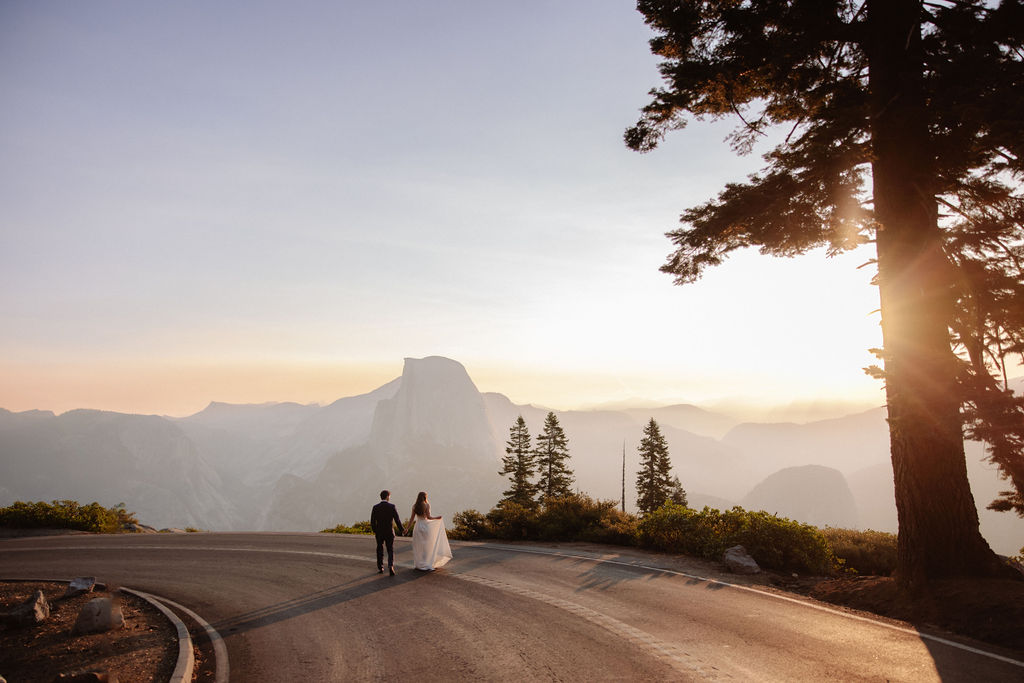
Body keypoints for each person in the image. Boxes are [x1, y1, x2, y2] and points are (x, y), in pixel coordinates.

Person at [409, 491, 452, 571]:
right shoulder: (426, 505)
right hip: (425, 526)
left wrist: (407, 528)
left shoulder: (414, 506)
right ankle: (427, 563)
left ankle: (419, 564)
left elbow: (412, 518)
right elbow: (429, 517)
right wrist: (437, 518)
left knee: (418, 546)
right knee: (427, 545)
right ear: (425, 497)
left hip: (418, 526)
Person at [370, 490, 404, 576]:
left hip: (379, 532)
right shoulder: (392, 506)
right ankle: (390, 566)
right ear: (387, 496)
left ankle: (380, 567)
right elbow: (397, 520)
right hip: (389, 531)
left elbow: (372, 521)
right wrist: (402, 530)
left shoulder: (375, 507)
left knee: (379, 549)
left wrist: (375, 531)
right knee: (390, 549)